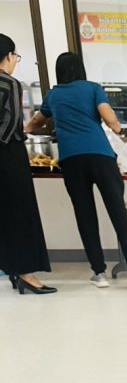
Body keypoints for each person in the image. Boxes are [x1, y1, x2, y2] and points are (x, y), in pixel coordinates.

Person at [25, 52, 127, 289]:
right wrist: (118, 129)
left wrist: (24, 129)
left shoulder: (53, 95)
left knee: (84, 215)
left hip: (71, 160)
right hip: (100, 156)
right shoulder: (93, 89)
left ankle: (99, 273)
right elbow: (110, 119)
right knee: (118, 211)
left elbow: (35, 123)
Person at [0, 34, 56, 294]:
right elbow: (11, 125)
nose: (15, 61)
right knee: (21, 213)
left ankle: (12, 269)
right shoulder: (9, 83)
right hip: (8, 155)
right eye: (15, 56)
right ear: (8, 56)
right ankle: (25, 274)